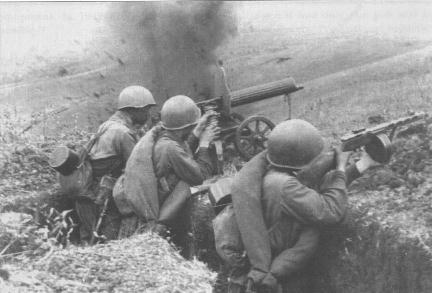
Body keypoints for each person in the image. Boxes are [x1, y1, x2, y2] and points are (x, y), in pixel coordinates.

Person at [215, 119, 380, 293]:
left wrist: (363, 164)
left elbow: (319, 191)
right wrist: (339, 168)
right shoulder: (285, 186)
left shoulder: (272, 173)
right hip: (276, 279)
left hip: (270, 268)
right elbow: (331, 210)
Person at [116, 95, 219, 245]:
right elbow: (199, 175)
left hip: (153, 196)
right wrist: (204, 144)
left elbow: (180, 150)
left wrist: (196, 131)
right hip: (166, 207)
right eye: (190, 126)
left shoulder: (163, 136)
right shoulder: (169, 147)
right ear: (184, 127)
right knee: (185, 185)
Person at [75, 85, 156, 243]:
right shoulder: (123, 133)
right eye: (146, 110)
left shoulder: (107, 126)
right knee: (107, 243)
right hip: (101, 198)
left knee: (90, 242)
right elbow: (138, 168)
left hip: (87, 195)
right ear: (134, 110)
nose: (148, 114)